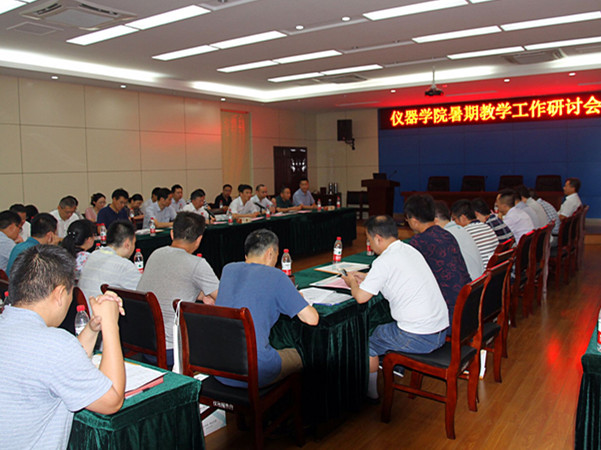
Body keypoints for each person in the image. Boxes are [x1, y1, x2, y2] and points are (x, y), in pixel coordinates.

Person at [0, 245, 125, 449]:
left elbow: (56, 365)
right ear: (59, 293)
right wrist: (111, 324)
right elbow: (112, 401)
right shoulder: (54, 344)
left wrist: (93, 327)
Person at [340, 216, 448, 401]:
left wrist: (352, 282)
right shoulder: (409, 250)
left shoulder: (384, 261)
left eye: (369, 239)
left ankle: (370, 393)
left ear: (378, 238)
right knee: (383, 326)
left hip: (419, 337)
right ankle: (393, 369)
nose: (369, 244)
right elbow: (391, 276)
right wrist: (366, 277)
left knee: (367, 341)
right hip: (440, 330)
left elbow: (360, 297)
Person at [217, 229, 319, 387]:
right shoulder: (276, 276)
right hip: (253, 371)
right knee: (303, 355)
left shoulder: (228, 269)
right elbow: (312, 319)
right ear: (270, 253)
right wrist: (298, 299)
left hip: (218, 367)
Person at [137, 212, 219, 366]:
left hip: (145, 345)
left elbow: (172, 284)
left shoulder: (156, 254)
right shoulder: (197, 264)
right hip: (172, 350)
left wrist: (202, 295)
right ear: (199, 239)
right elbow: (223, 297)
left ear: (172, 234)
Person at [405, 195, 471, 326]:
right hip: (468, 304)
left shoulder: (419, 241)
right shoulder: (446, 234)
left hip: (448, 314)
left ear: (413, 220)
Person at [78, 221, 141, 301]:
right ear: (127, 244)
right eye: (134, 243)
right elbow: (144, 292)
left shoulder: (93, 255)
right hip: (101, 308)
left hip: (86, 307)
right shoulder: (124, 265)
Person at [433, 200, 484, 281]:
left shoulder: (445, 236)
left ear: (435, 221)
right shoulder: (460, 229)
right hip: (479, 281)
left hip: (470, 284)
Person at [452, 199, 499, 268]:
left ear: (463, 218)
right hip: (494, 269)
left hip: (483, 272)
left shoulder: (465, 232)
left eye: (454, 219)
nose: (454, 223)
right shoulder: (487, 227)